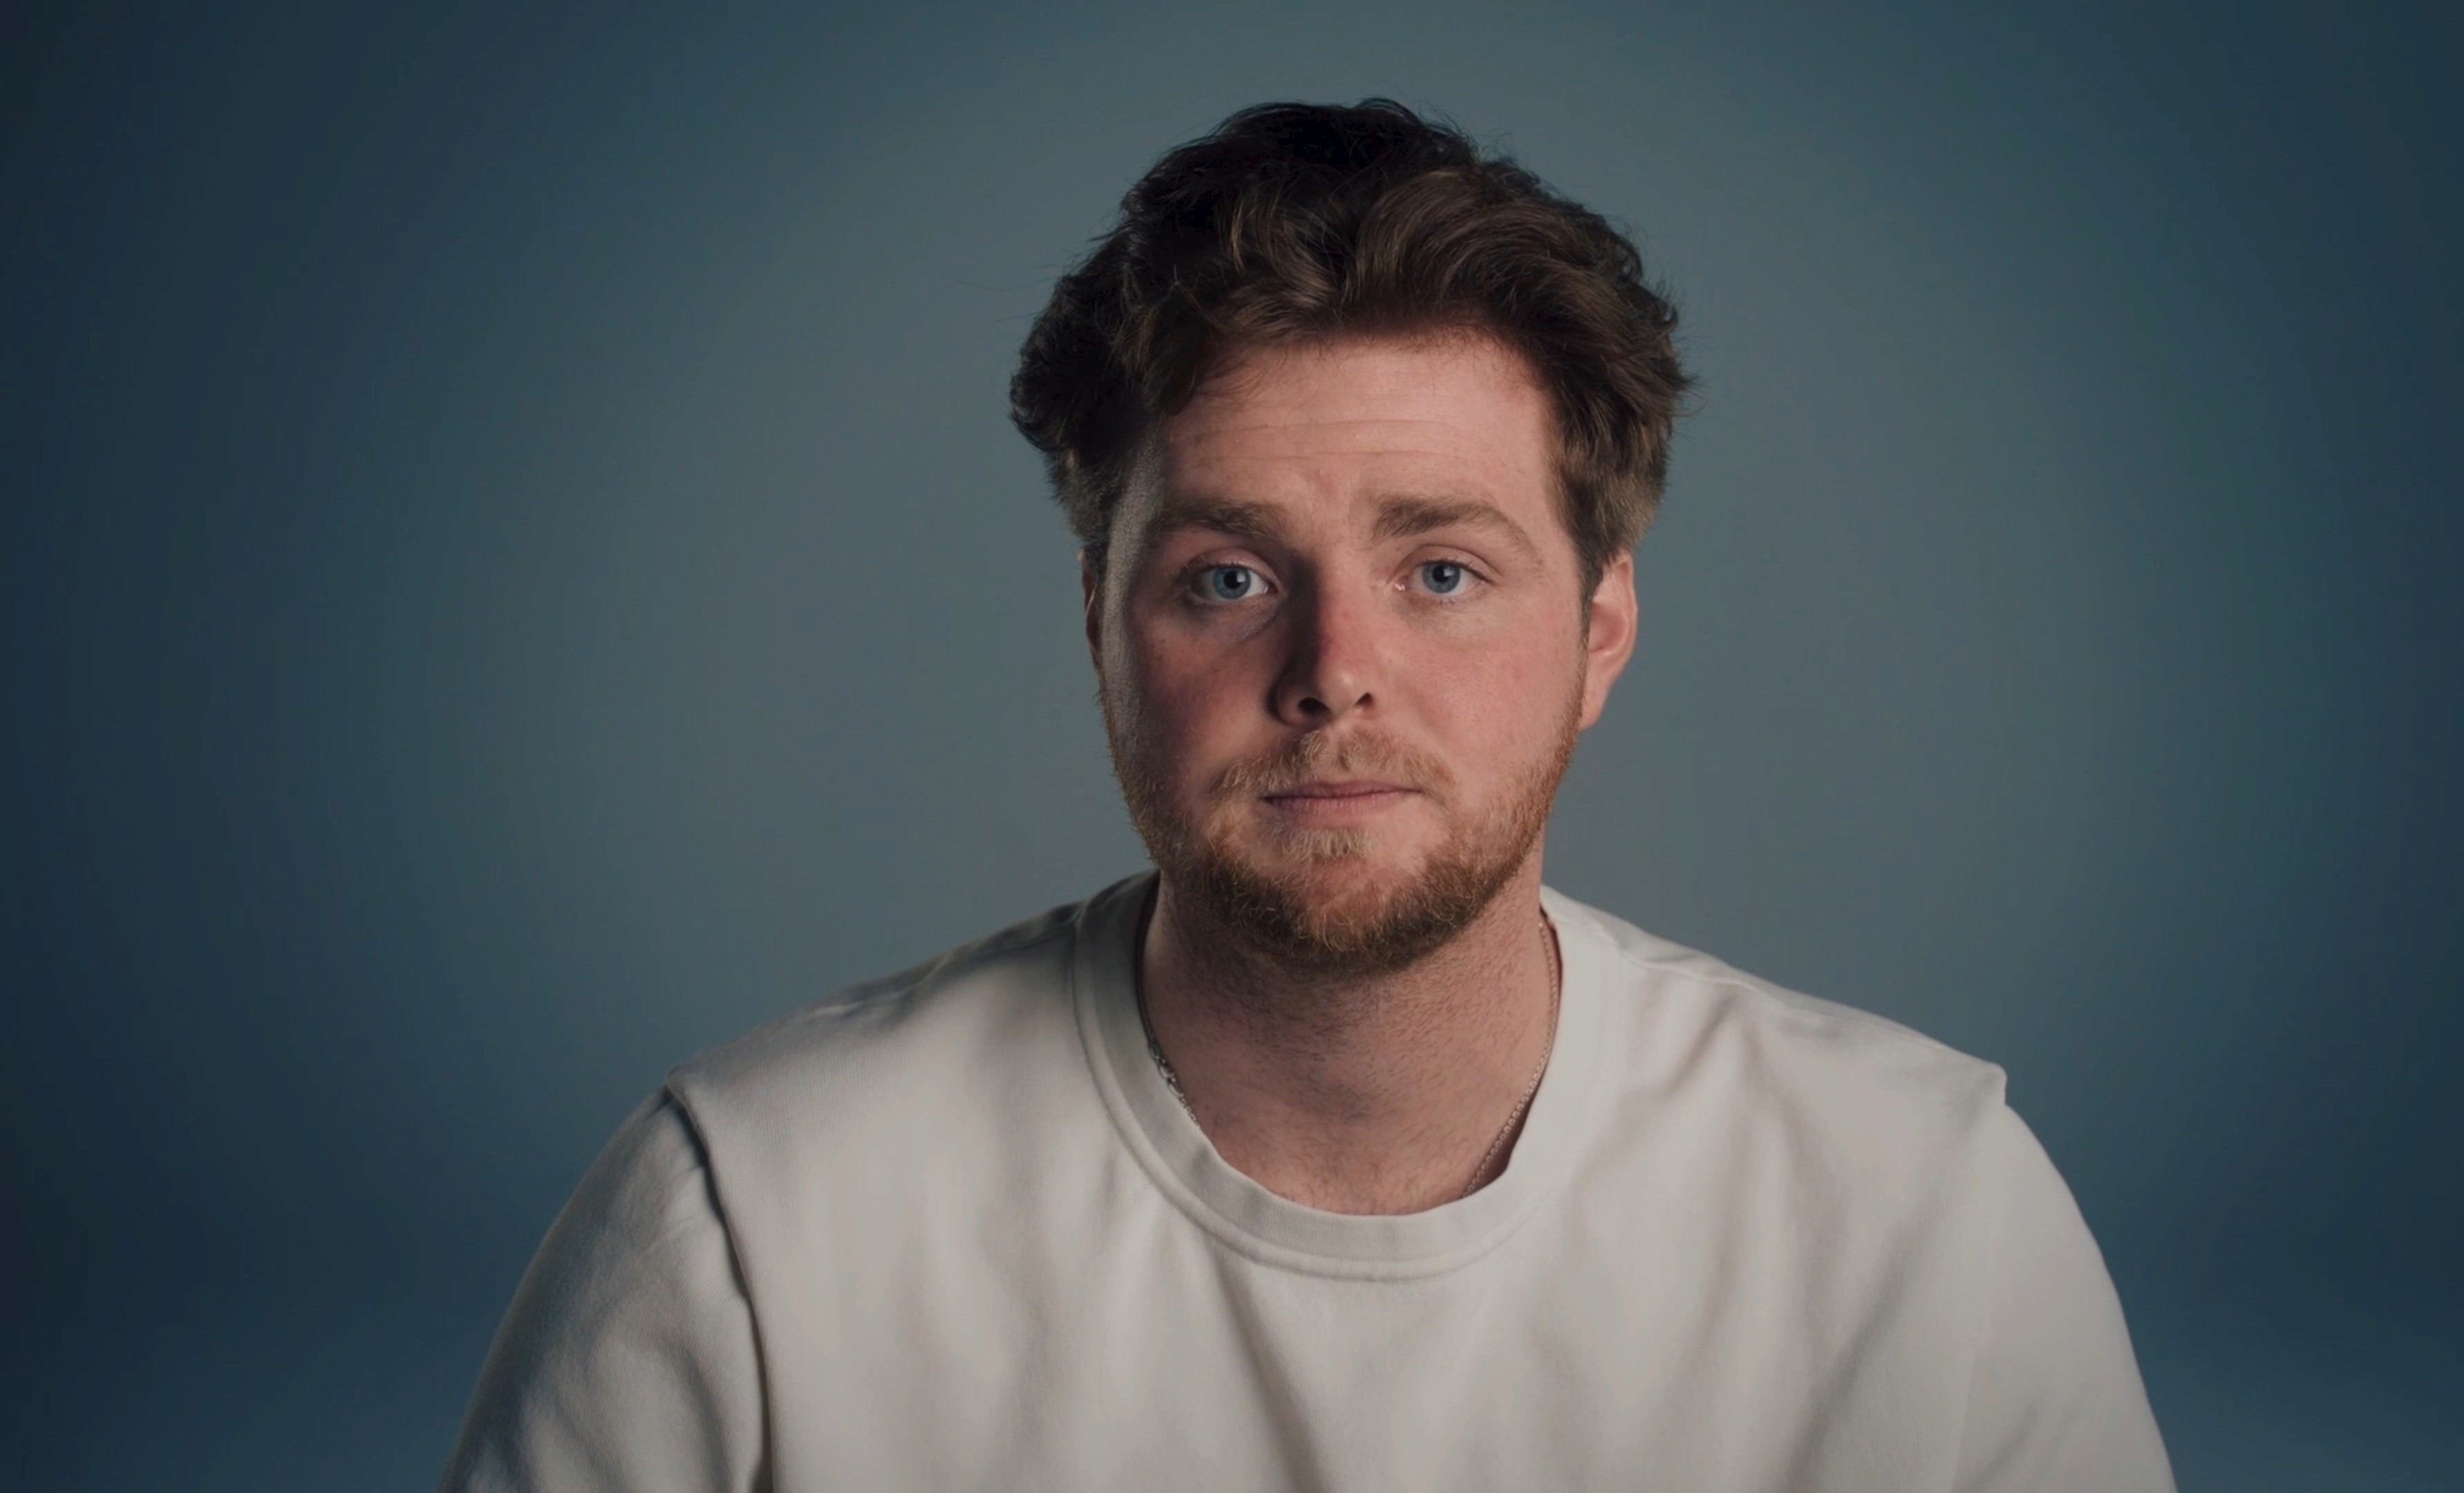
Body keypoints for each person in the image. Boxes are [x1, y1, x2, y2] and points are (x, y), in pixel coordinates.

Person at [442, 100, 2175, 1492]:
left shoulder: (1929, 1218)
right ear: (1101, 626)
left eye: (1443, 573)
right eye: (1229, 577)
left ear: (1601, 630)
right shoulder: (754, 1222)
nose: (1335, 669)